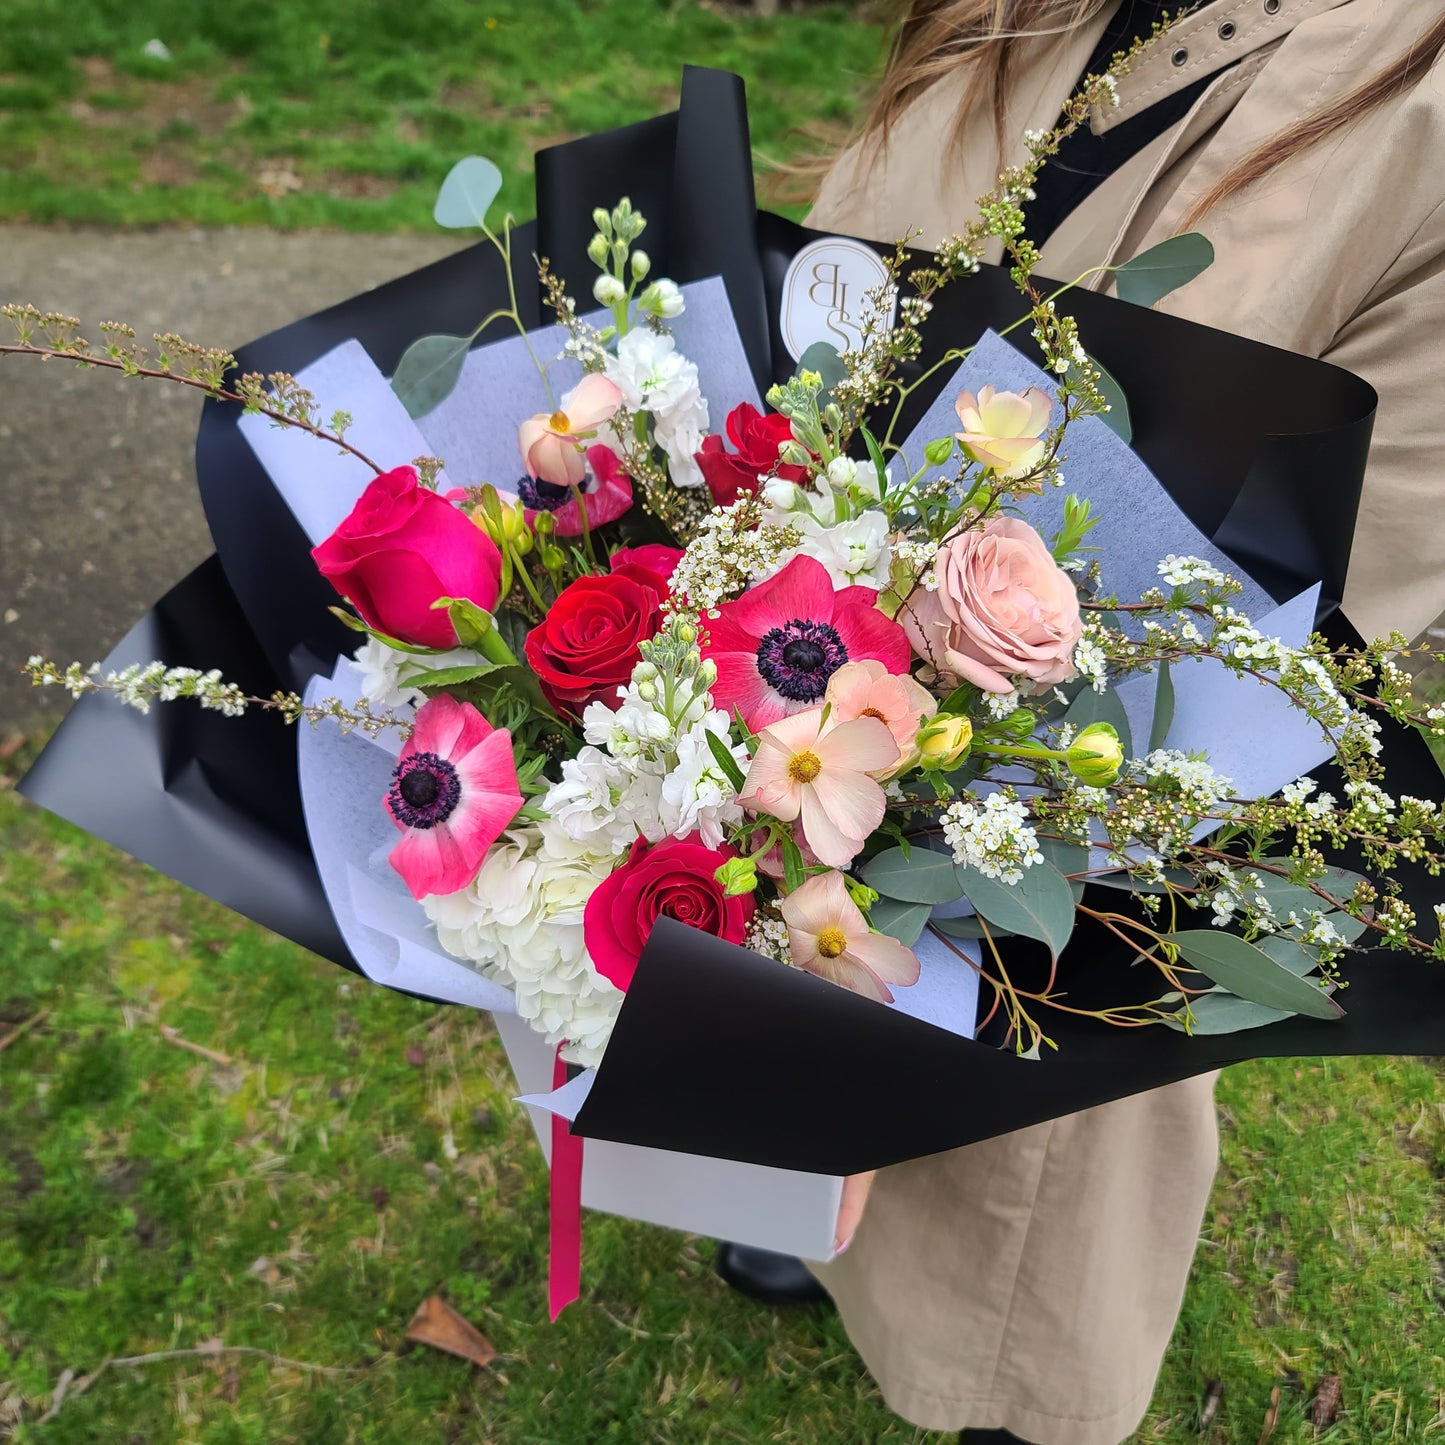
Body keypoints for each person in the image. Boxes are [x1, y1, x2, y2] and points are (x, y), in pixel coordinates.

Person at [771, 2, 1445, 1442]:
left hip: (1083, 716)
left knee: (1030, 1084)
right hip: (803, 624)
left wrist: (985, 645)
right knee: (778, 927)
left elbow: (1359, 542)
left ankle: (1000, 1376)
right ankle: (782, 1176)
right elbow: (843, 259)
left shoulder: (1414, 92)